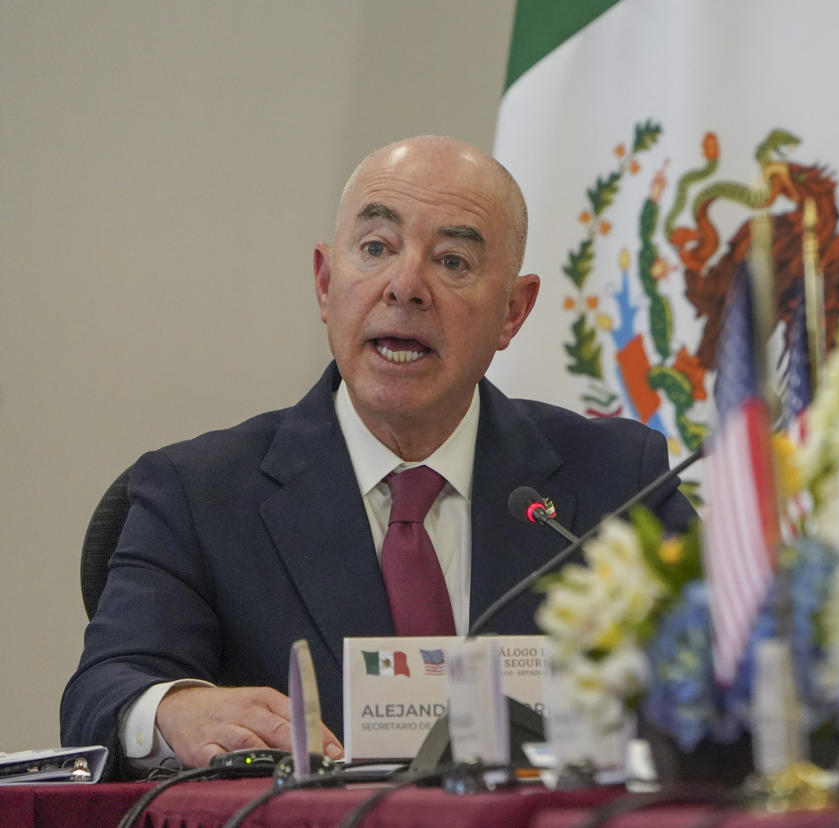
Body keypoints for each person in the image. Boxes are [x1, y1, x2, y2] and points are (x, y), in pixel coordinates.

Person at [61, 136, 695, 776]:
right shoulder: (198, 493)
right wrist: (175, 709)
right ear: (324, 282)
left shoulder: (619, 482)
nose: (406, 286)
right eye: (375, 249)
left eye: (452, 261)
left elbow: (733, 672)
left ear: (513, 312)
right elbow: (105, 690)